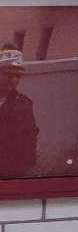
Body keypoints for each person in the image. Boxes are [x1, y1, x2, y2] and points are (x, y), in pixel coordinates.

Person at [0, 47, 39, 178]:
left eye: (17, 76)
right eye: (8, 74)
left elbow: (30, 137)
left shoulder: (24, 104)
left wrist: (27, 166)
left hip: (14, 174)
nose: (13, 80)